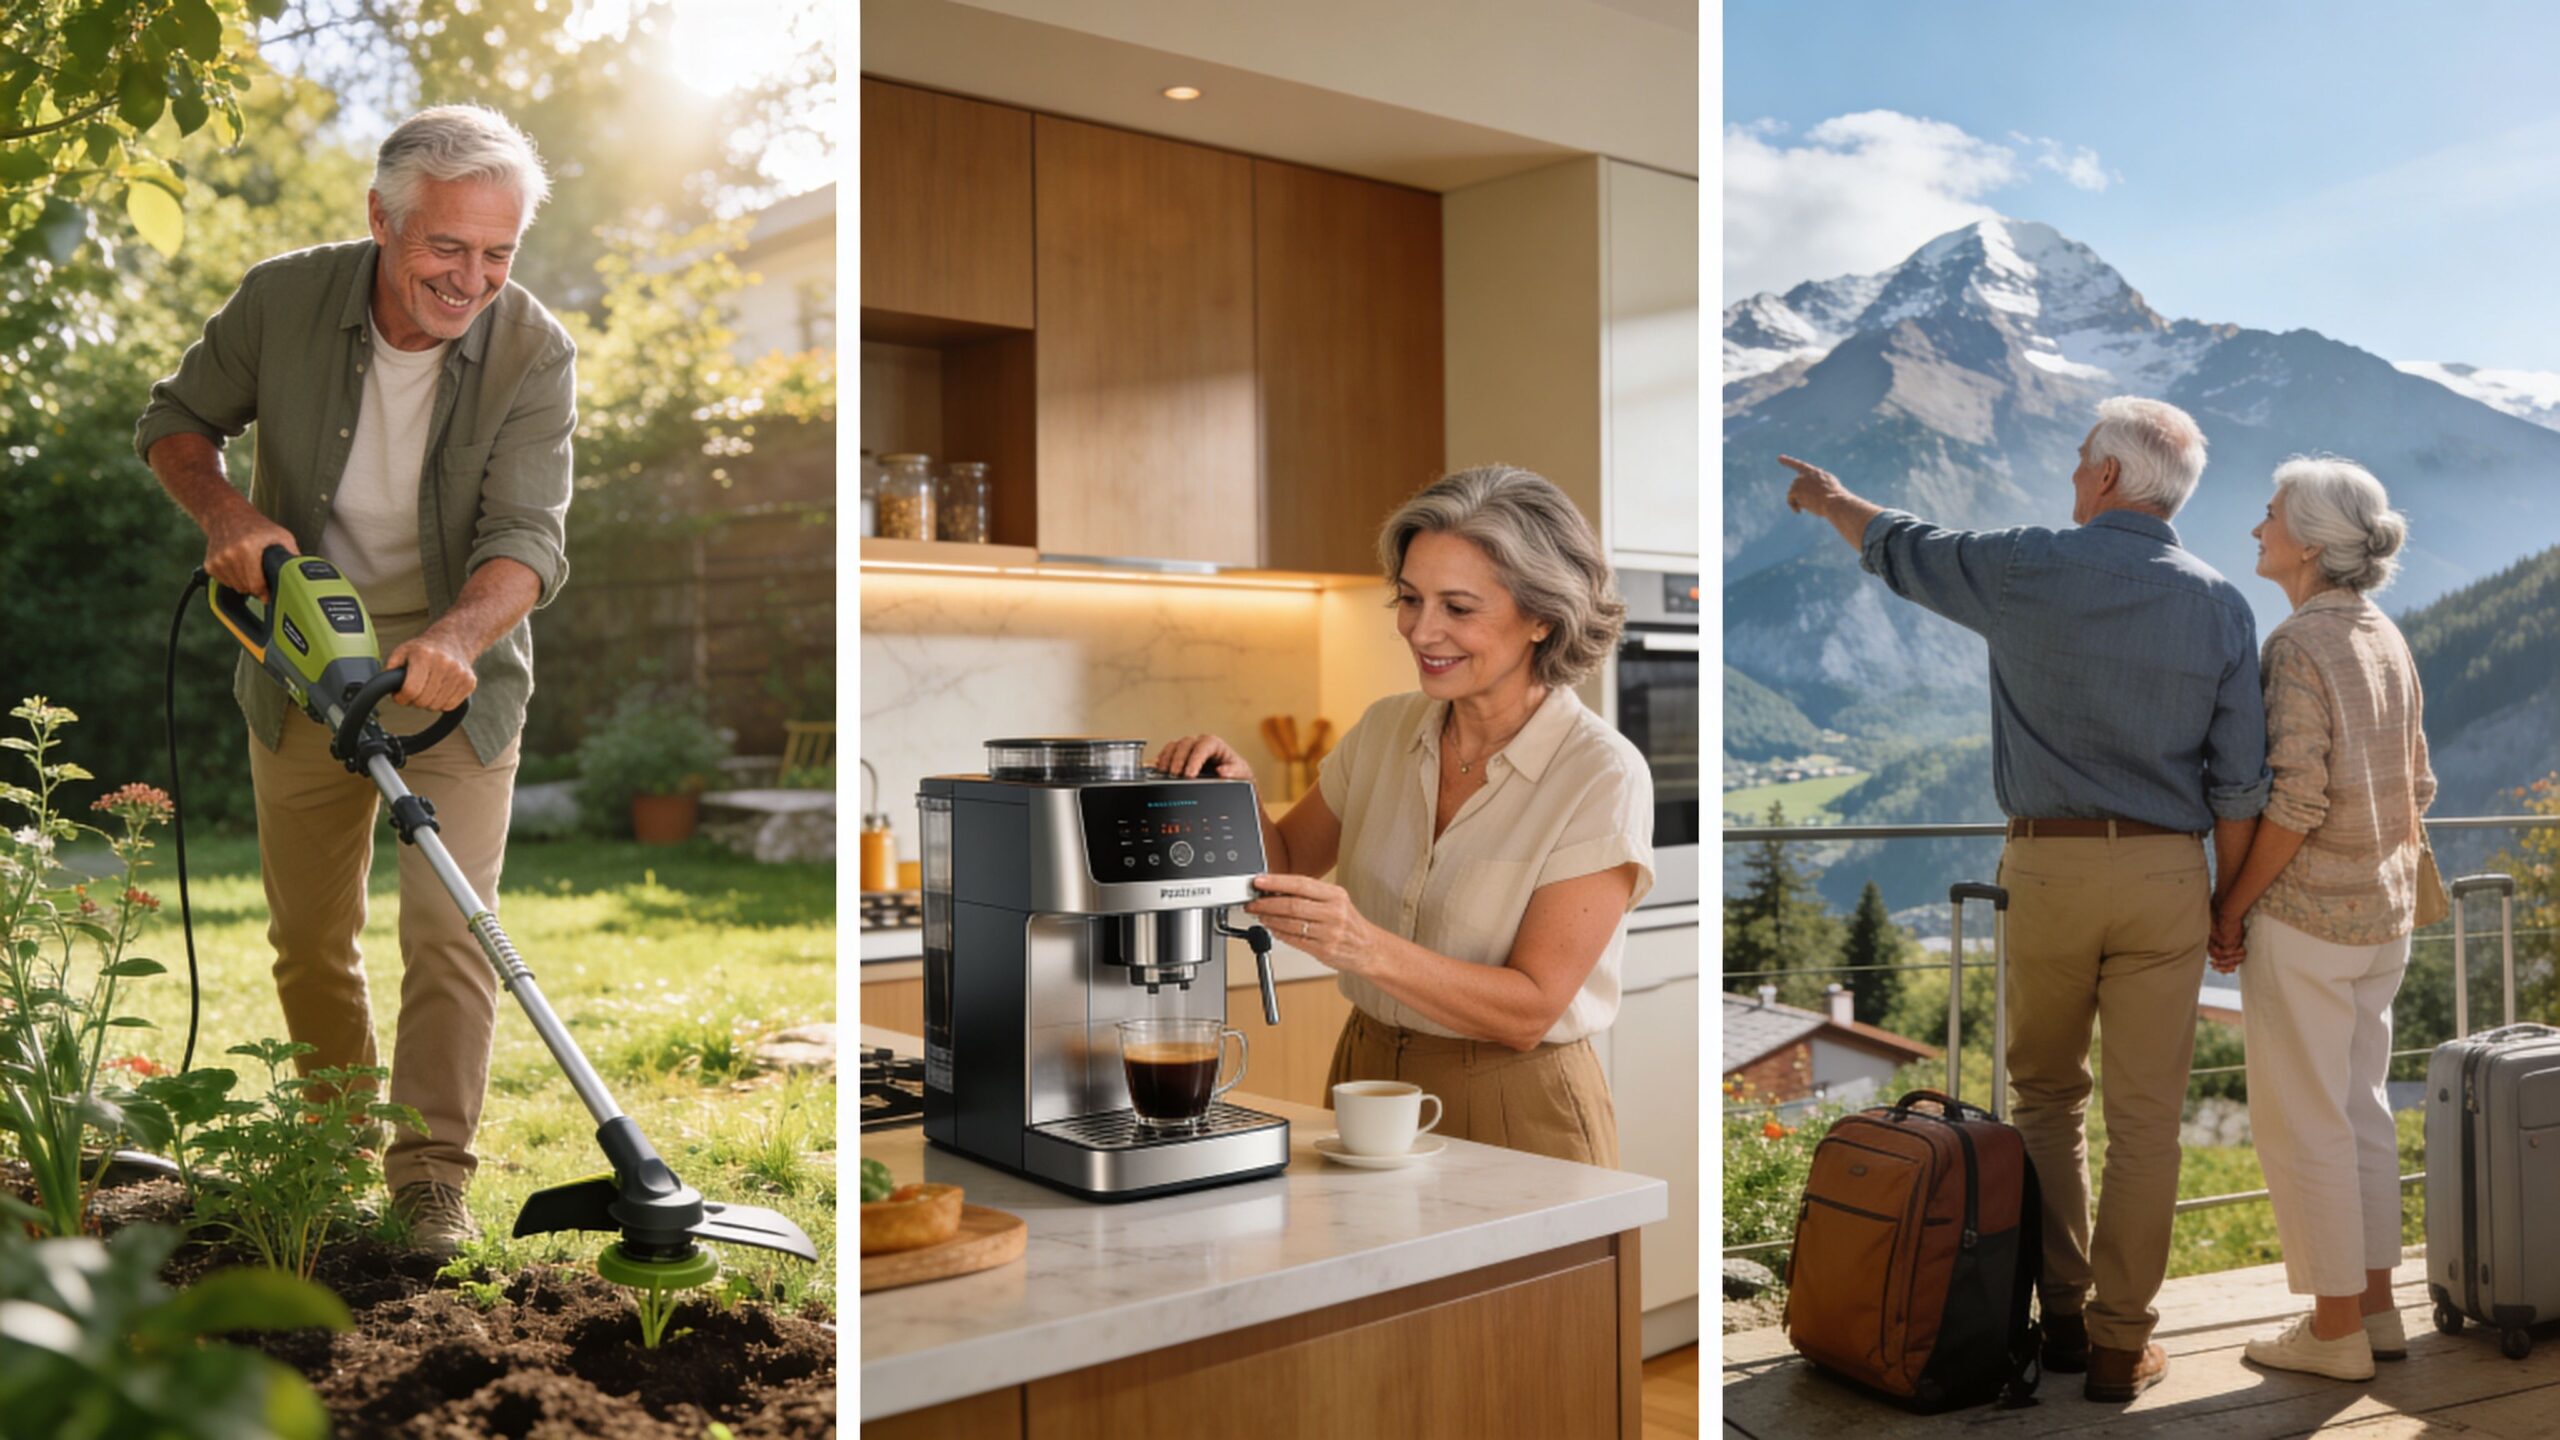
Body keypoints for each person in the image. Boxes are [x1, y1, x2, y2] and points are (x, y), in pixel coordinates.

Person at [136, 105, 575, 1260]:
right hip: (298, 652)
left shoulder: (533, 349)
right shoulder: (284, 299)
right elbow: (176, 420)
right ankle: (331, 1154)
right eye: (446, 248)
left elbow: (529, 541)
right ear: (382, 220)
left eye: (497, 253)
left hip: (453, 669)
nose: (471, 278)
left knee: (451, 930)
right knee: (311, 933)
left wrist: (457, 638)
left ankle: (430, 1182)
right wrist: (226, 514)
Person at [1779, 396, 2270, 1403]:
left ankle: (2062, 1324)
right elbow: (2240, 784)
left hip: (2045, 869)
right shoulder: (2221, 602)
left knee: (2047, 1098)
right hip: (2168, 875)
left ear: (2103, 478)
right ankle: (2126, 1345)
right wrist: (2223, 904)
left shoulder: (2028, 563)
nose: (2069, 477)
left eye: (2077, 462)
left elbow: (1903, 546)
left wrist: (1829, 500)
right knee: (2148, 1122)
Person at [1155, 466, 1653, 1166]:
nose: (1422, 630)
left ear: (1542, 616)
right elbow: (1286, 865)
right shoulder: (1386, 729)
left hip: (1518, 1097)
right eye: (1411, 598)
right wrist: (1232, 795)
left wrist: (1361, 944)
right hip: (1367, 1072)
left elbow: (1532, 1008)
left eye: (1458, 607)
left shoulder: (1599, 773)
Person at [2210, 459, 2431, 1382]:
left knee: (2307, 1125)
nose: (2255, 530)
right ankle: (2376, 1311)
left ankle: (2333, 1330)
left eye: (2267, 518)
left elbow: (2294, 802)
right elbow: (2419, 783)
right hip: (2387, 912)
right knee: (2361, 1111)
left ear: (2306, 540)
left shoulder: (2298, 645)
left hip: (2308, 921)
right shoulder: (2386, 635)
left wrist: (2231, 905)